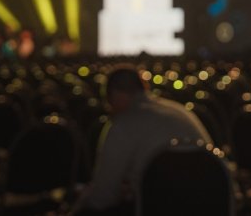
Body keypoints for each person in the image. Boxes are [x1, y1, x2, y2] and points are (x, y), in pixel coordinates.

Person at [72, 65, 212, 215]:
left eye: (108, 102)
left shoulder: (124, 122)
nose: (110, 109)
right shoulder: (181, 111)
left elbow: (102, 197)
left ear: (114, 94)